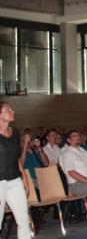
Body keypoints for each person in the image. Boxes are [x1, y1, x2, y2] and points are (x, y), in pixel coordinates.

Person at [0, 102, 32, 239]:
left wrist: (24, 178)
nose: (13, 112)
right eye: (8, 110)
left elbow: (17, 158)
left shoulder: (15, 132)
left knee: (24, 220)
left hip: (15, 181)